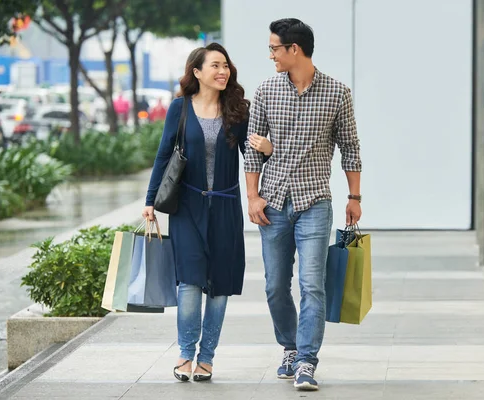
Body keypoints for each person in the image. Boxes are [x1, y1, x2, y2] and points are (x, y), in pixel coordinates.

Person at [142, 43, 273, 383]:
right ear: (197, 72)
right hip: (187, 207)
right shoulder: (179, 108)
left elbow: (253, 157)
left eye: (226, 65)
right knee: (189, 281)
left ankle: (207, 358)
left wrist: (268, 149)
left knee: (220, 285)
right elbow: (162, 155)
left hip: (226, 208)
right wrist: (150, 200)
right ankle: (186, 354)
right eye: (215, 65)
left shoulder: (238, 111)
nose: (222, 71)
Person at [244, 18, 363, 391]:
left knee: (313, 285)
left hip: (315, 202)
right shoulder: (265, 91)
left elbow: (351, 147)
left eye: (274, 48)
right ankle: (290, 348)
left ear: (294, 49)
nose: (271, 55)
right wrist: (252, 196)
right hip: (273, 203)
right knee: (275, 286)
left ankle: (307, 361)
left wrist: (354, 197)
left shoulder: (337, 93)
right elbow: (252, 150)